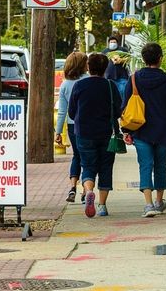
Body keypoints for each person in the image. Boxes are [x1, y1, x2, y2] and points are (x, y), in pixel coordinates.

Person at [121, 43, 166, 218]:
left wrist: (126, 131)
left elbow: (125, 107)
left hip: (141, 131)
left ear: (144, 59)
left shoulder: (134, 79)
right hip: (163, 131)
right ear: (160, 58)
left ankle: (148, 204)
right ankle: (160, 202)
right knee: (160, 166)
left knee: (145, 165)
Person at [68, 53, 122, 218]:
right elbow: (118, 110)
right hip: (107, 133)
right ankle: (102, 206)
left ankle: (89, 191)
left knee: (88, 166)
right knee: (106, 167)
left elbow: (71, 111)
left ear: (88, 67)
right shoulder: (110, 86)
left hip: (84, 133)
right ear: (105, 68)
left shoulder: (79, 86)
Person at [55, 52, 88, 204]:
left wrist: (58, 132)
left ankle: (73, 187)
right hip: (88, 123)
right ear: (82, 65)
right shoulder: (89, 80)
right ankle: (87, 190)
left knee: (77, 155)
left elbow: (62, 111)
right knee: (88, 156)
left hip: (71, 124)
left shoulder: (65, 85)